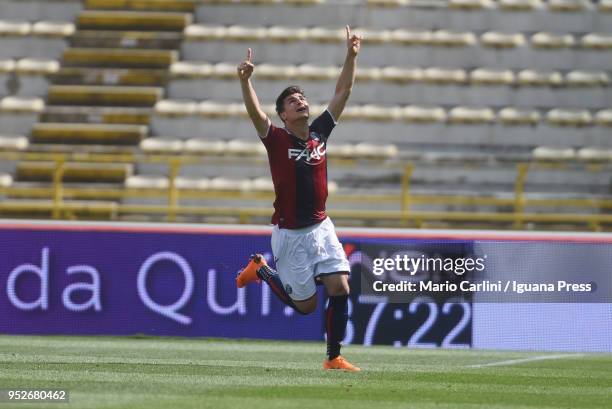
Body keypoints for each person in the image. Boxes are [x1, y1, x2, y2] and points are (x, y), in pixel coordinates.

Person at [235, 26, 362, 372]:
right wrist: (246, 82)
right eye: (292, 101)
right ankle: (261, 269)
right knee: (305, 306)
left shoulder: (320, 132)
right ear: (284, 115)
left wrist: (351, 56)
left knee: (340, 286)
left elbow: (343, 91)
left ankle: (333, 357)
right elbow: (255, 115)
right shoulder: (275, 138)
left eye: (302, 97)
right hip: (290, 235)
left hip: (321, 226)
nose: (300, 101)